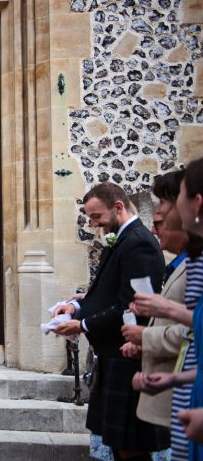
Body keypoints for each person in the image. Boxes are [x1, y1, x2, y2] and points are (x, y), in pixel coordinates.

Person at [52, 182, 168, 460]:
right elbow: (112, 293)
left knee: (131, 449)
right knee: (119, 446)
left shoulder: (139, 242)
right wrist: (78, 304)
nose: (95, 224)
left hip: (127, 357)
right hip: (113, 355)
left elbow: (136, 306)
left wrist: (82, 325)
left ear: (118, 206)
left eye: (96, 217)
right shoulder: (124, 240)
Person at [123, 170, 192, 461]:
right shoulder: (185, 264)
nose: (157, 213)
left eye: (163, 203)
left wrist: (146, 335)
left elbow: (194, 331)